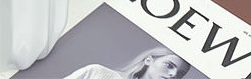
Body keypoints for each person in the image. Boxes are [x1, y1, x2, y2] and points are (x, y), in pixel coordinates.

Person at [62, 46, 192, 79]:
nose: (173, 74)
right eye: (169, 65)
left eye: (180, 74)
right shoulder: (97, 73)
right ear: (149, 60)